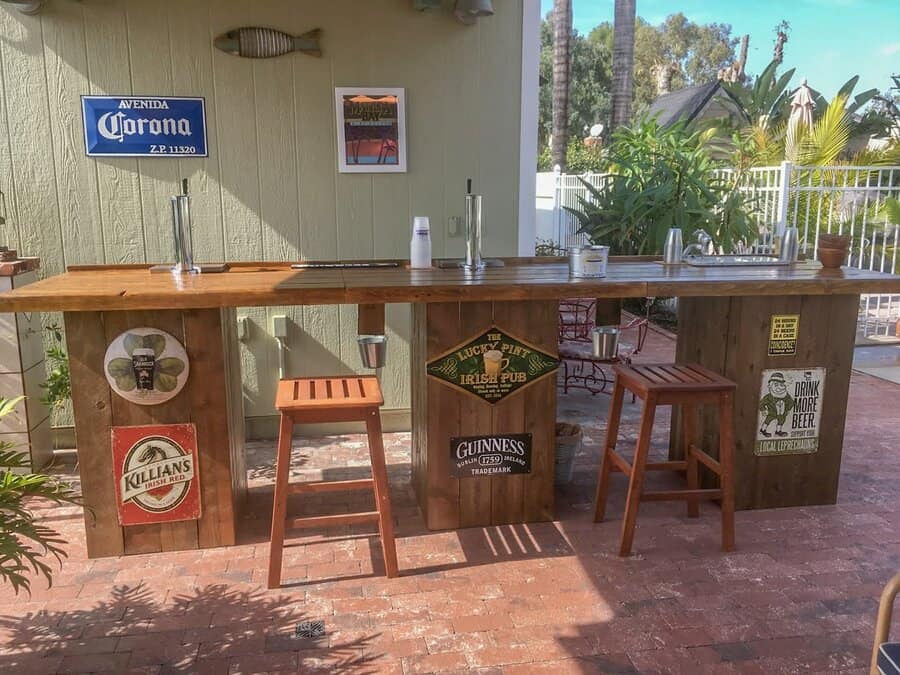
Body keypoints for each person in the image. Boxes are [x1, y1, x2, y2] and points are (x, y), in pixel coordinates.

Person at [759, 372, 794, 437]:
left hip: (782, 413)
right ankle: (763, 430)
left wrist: (788, 409)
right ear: (770, 386)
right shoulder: (769, 396)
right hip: (771, 412)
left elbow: (791, 402)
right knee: (767, 420)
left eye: (781, 385)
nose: (779, 387)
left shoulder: (785, 395)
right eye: (776, 385)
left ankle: (778, 431)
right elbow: (761, 403)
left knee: (781, 421)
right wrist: (763, 410)